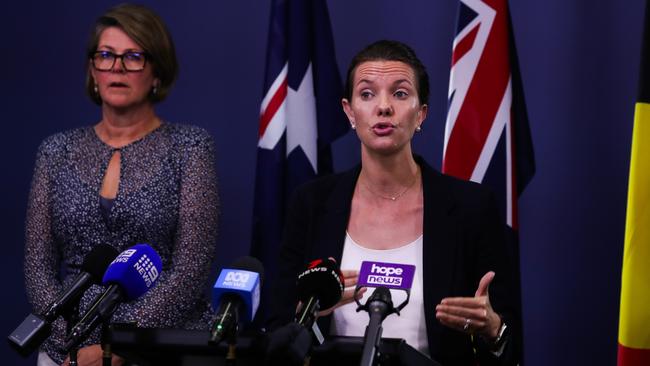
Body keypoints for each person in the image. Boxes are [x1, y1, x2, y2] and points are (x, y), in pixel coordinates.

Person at [268, 40, 519, 366]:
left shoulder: (472, 207)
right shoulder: (312, 203)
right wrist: (306, 317)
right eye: (367, 94)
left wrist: (494, 330)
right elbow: (277, 328)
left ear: (421, 113)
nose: (383, 107)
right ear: (349, 111)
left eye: (400, 94)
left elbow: (510, 342)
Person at [23, 4, 219, 366]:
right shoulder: (55, 151)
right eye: (106, 55)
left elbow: (191, 269)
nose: (117, 67)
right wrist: (71, 342)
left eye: (133, 57)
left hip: (159, 344)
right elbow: (38, 265)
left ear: (157, 70)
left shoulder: (190, 147)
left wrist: (120, 345)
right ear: (92, 71)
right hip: (67, 349)